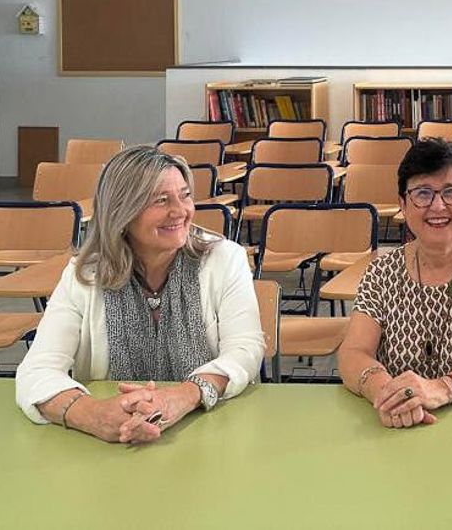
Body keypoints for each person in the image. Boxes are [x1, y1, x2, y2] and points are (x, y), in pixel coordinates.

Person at [15, 146, 265, 444]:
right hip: (110, 447)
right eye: (161, 200)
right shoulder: (84, 275)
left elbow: (245, 350)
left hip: (213, 434)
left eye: (185, 195)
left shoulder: (224, 259)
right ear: (123, 211)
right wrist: (93, 415)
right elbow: (37, 369)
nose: (180, 211)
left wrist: (184, 396)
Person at [339, 140, 452, 429]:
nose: (438, 206)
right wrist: (390, 395)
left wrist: (442, 388)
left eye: (451, 191)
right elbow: (353, 353)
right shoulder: (382, 271)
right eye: (423, 194)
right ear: (402, 204)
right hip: (400, 426)